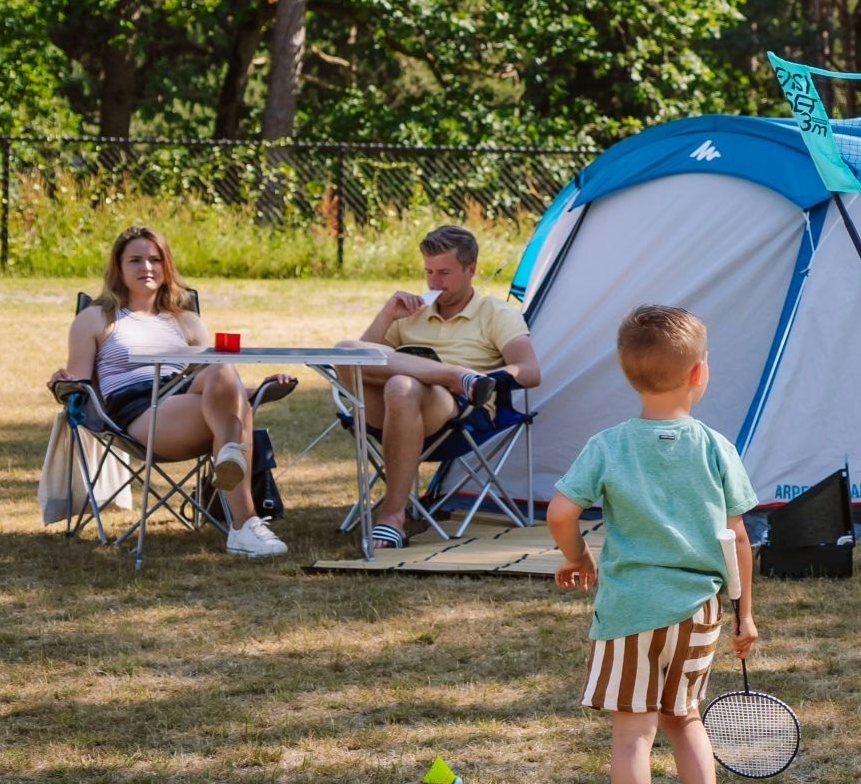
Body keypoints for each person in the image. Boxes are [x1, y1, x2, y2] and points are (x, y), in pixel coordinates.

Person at [547, 305, 759, 784]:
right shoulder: (717, 447)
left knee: (633, 734)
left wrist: (577, 557)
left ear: (627, 372)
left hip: (628, 613)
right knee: (686, 718)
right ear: (700, 374)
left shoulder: (608, 445)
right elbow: (737, 537)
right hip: (700, 611)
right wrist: (746, 613)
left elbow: (562, 511)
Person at [52, 224, 294, 558]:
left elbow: (216, 385)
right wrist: (61, 381)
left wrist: (260, 388)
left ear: (166, 266)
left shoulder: (187, 320)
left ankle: (235, 476)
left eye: (154, 259)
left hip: (184, 392)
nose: (147, 267)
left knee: (221, 367)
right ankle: (244, 522)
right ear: (118, 269)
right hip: (139, 411)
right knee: (232, 413)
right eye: (135, 260)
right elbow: (77, 381)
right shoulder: (96, 318)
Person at [354, 225, 542, 548]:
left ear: (471, 270)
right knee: (348, 351)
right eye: (428, 271)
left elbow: (529, 371)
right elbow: (359, 363)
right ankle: (451, 373)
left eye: (444, 272)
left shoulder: (495, 314)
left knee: (402, 385)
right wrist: (387, 315)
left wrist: (490, 378)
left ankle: (392, 517)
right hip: (388, 410)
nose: (433, 282)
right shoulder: (411, 312)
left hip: (456, 409)